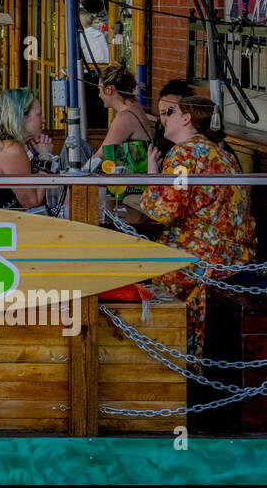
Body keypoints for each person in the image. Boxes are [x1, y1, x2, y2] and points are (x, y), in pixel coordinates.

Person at [141, 94, 255, 357]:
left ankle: (169, 358)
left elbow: (164, 211)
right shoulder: (223, 154)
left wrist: (151, 176)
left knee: (145, 267)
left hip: (201, 259)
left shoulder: (184, 154)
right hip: (235, 256)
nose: (164, 119)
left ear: (186, 118)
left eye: (170, 112)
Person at [93, 61, 152, 159]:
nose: (99, 95)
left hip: (131, 173)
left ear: (109, 89)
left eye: (100, 89)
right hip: (132, 169)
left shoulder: (125, 118)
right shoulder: (134, 105)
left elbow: (98, 158)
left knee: (74, 147)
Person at [150, 78, 197, 159]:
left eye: (171, 112)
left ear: (187, 116)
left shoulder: (195, 147)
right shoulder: (164, 136)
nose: (167, 118)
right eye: (163, 113)